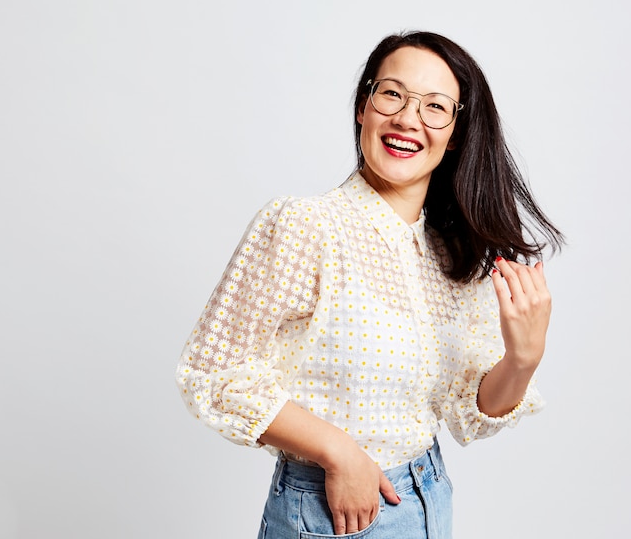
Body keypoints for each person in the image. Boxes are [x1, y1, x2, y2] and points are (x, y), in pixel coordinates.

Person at [176, 30, 564, 539]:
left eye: (435, 107)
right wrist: (338, 452)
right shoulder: (304, 225)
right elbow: (213, 374)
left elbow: (469, 412)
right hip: (336, 511)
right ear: (364, 105)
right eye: (392, 94)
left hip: (429, 496)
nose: (407, 118)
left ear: (457, 134)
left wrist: (522, 359)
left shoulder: (450, 255)